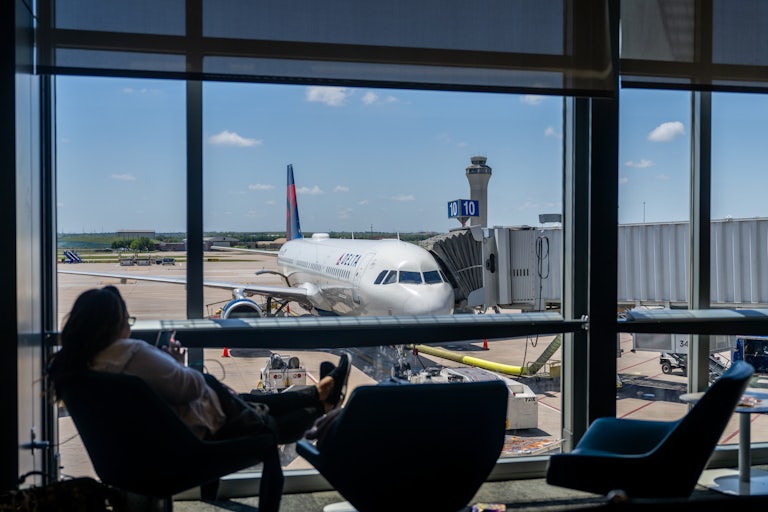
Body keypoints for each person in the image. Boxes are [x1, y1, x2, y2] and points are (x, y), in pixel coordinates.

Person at [47, 285, 351, 444]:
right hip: (200, 429)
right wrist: (175, 363)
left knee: (252, 400)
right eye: (127, 320)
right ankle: (322, 406)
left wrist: (171, 367)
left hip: (163, 435)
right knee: (266, 420)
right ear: (114, 325)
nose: (129, 326)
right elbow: (191, 386)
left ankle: (319, 394)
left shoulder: (81, 365)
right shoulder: (130, 352)